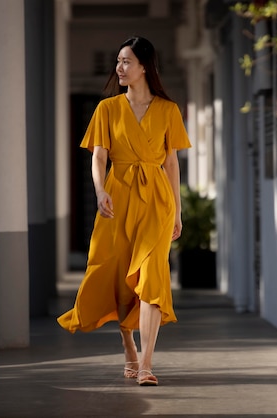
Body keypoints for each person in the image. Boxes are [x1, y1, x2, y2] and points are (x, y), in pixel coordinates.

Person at [58, 36, 191, 386]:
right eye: (118, 61)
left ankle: (146, 364)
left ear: (144, 66)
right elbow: (99, 156)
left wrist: (177, 211)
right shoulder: (107, 109)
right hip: (117, 200)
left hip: (157, 202)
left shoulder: (168, 110)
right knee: (119, 278)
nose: (119, 67)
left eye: (126, 61)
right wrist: (100, 191)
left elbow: (172, 163)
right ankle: (128, 344)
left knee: (151, 278)